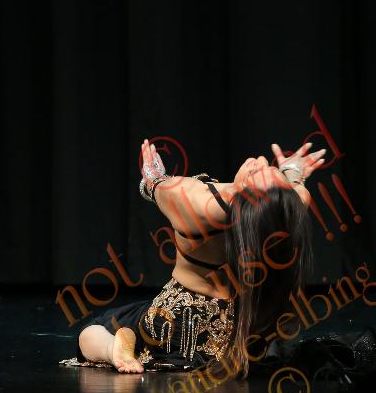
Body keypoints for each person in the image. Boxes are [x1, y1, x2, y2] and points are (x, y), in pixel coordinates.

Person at [59, 138, 325, 375]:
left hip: (177, 326)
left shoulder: (196, 203)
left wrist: (153, 174)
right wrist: (292, 172)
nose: (261, 160)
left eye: (260, 171)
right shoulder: (287, 213)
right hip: (246, 334)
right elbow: (295, 189)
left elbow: (155, 182)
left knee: (91, 333)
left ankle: (112, 350)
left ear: (245, 193)